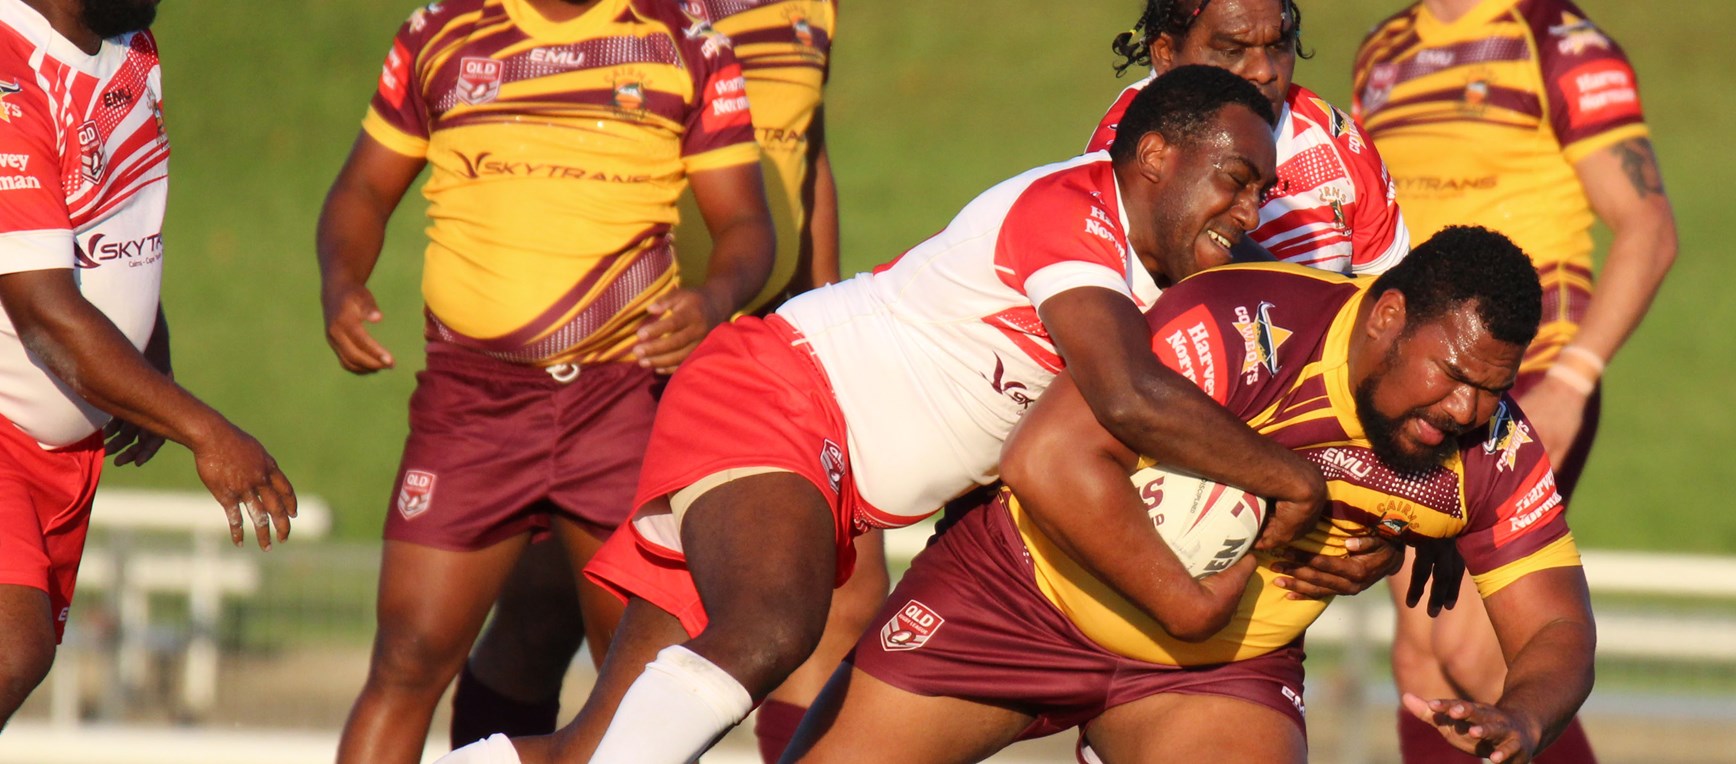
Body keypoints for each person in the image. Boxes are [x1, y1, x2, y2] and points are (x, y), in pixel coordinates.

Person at [438, 64, 1348, 764]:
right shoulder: (1074, 209)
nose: (1251, 206)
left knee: (594, 747)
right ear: (1154, 157)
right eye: (1235, 177)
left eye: (1264, 188)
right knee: (771, 627)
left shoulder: (1169, 289)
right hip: (776, 398)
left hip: (821, 466)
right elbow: (1127, 398)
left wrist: (1363, 525)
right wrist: (1293, 486)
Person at [791, 227, 1594, 764]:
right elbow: (1045, 457)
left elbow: (1557, 622)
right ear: (1387, 315)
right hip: (1015, 595)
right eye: (1451, 376)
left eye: (1489, 389)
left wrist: (1525, 714)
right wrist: (1189, 601)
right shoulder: (1247, 322)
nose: (1465, 410)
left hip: (1209, 675)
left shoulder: (1491, 445)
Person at [317, 0, 775, 761]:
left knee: (637, 694)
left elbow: (746, 224)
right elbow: (362, 189)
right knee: (405, 659)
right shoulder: (441, 32)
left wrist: (715, 298)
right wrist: (341, 282)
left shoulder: (683, 39)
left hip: (622, 401)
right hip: (471, 404)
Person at [442, 3, 859, 760]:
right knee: (569, 624)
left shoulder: (816, 8)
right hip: (640, 350)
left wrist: (822, 295)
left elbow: (805, 146)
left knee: (816, 603)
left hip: (762, 337)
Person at [1353, 2, 1676, 760]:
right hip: (1417, 382)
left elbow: (1649, 225)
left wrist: (1572, 380)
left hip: (1520, 380)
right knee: (1424, 657)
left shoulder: (1558, 40)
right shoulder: (1384, 49)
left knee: (1473, 648)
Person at [0, 0, 297, 727]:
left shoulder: (133, 47)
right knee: (14, 650)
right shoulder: (9, 74)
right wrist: (207, 430)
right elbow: (43, 315)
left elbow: (117, 221)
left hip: (62, 456)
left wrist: (146, 362)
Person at [1090, 0, 1409, 275]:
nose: (1264, 71)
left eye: (1278, 44)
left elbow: (1389, 308)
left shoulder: (1336, 140)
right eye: (1232, 50)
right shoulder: (1131, 151)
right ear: (1165, 53)